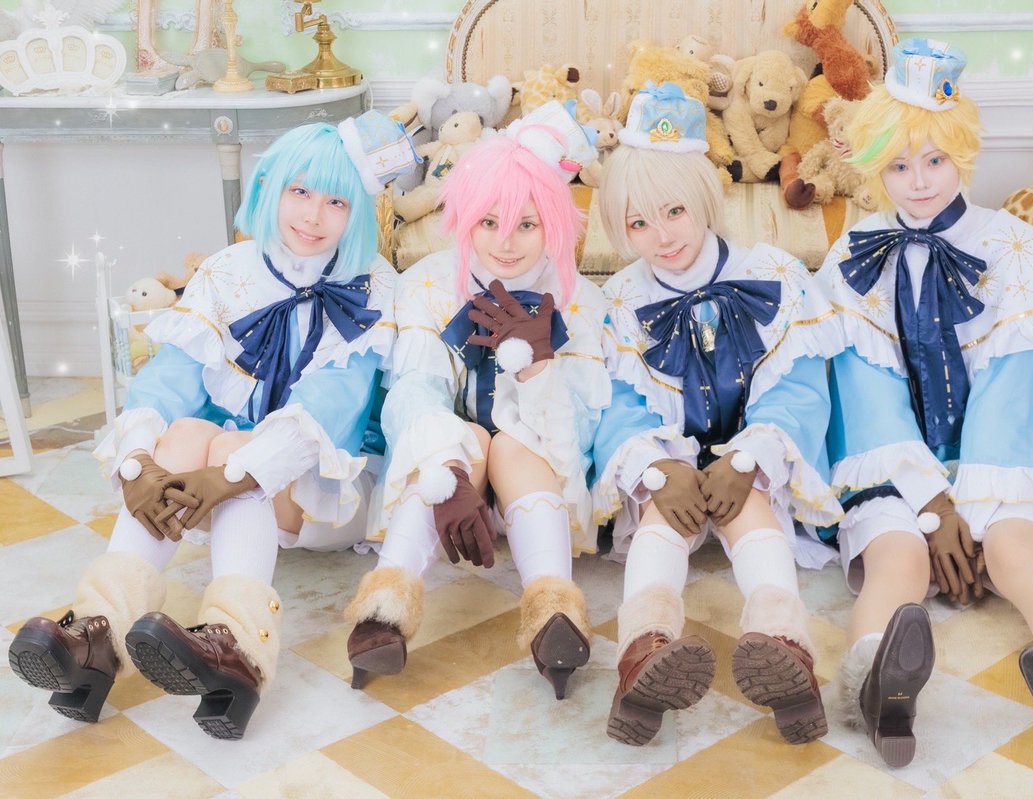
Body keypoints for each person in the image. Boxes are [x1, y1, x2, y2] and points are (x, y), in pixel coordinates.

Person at [7, 110, 413, 740]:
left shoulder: (374, 285)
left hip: (329, 487)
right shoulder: (229, 270)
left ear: (358, 211)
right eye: (300, 192)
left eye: (336, 202)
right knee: (185, 436)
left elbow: (330, 408)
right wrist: (139, 463)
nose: (313, 216)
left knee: (228, 444)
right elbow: (170, 377)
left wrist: (233, 472)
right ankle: (98, 633)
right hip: (223, 476)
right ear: (270, 187)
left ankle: (240, 647)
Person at [818, 38, 1033, 778]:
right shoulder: (854, 252)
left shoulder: (1013, 246)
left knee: (1018, 552)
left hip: (1002, 456)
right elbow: (866, 392)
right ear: (875, 168)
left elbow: (1013, 392)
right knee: (896, 558)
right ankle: (878, 683)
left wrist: (974, 502)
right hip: (894, 462)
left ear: (961, 152)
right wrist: (932, 507)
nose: (918, 182)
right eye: (899, 166)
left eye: (934, 160)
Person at [592, 82, 845, 747]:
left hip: (748, 458)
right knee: (659, 517)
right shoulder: (619, 300)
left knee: (751, 506)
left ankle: (785, 650)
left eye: (674, 211)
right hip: (672, 464)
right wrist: (656, 470)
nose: (661, 237)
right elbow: (619, 404)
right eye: (638, 224)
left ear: (704, 197)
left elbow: (799, 390)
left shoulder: (774, 275)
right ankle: (643, 655)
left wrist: (747, 457)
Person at [343, 101, 611, 702]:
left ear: (553, 224)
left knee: (509, 443)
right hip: (447, 487)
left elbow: (578, 434)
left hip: (537, 487)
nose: (505, 243)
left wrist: (538, 370)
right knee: (468, 438)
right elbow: (413, 393)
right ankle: (385, 608)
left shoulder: (580, 303)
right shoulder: (429, 285)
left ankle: (553, 612)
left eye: (526, 224)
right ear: (464, 219)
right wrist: (449, 467)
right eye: (488, 222)